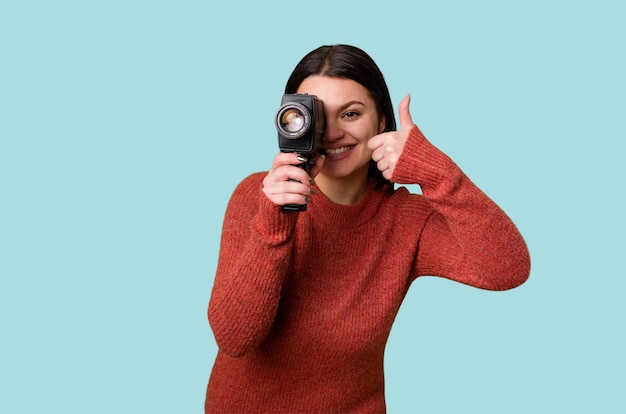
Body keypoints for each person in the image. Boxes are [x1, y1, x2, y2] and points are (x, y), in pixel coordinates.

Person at [204, 44, 531, 413]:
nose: (332, 132)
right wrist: (274, 224)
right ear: (292, 119)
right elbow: (234, 338)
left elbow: (508, 269)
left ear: (380, 122)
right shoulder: (257, 197)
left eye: (351, 113)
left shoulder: (407, 220)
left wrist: (436, 171)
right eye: (318, 116)